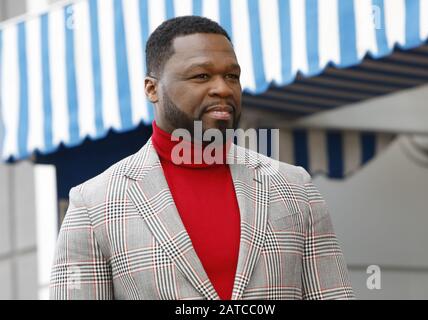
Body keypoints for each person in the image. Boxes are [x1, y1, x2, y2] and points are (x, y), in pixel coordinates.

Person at [50, 15, 354, 300]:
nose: (222, 88)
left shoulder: (295, 187)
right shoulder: (93, 204)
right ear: (152, 88)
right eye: (202, 75)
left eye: (232, 76)